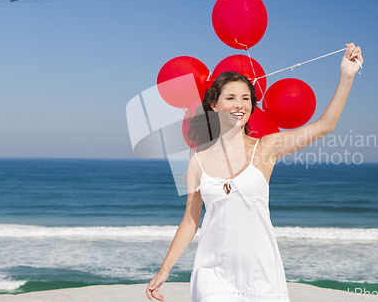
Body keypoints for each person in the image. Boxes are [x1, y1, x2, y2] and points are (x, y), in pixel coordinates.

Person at [146, 43, 364, 301]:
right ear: (214, 105)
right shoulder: (198, 161)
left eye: (246, 98)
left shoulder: (267, 147)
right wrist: (164, 270)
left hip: (261, 274)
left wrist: (347, 76)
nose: (240, 105)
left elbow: (324, 126)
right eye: (231, 98)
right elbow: (190, 221)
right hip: (212, 274)